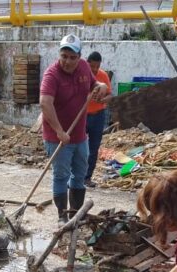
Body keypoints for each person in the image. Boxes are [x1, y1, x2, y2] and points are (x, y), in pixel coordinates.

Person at [40, 35, 109, 224]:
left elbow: (94, 84)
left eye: (72, 57)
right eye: (64, 56)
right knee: (61, 175)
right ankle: (63, 216)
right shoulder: (51, 75)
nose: (67, 61)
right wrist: (59, 131)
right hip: (58, 137)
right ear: (59, 55)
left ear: (79, 56)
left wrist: (100, 86)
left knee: (80, 174)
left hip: (80, 135)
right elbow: (45, 103)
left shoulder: (84, 67)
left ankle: (76, 214)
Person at [84, 51, 112, 188]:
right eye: (92, 66)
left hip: (98, 115)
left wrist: (102, 99)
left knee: (94, 148)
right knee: (77, 147)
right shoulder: (81, 76)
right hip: (82, 116)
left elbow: (110, 95)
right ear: (87, 64)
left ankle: (87, 177)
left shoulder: (103, 76)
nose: (95, 69)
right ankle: (74, 176)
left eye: (97, 66)